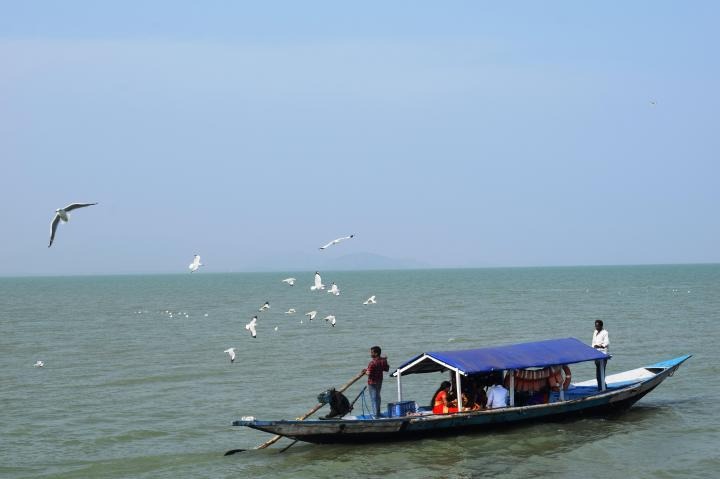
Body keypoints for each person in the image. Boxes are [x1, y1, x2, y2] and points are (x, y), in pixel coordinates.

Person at [362, 346, 389, 417]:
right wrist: (385, 360)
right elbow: (386, 369)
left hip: (372, 382)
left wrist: (364, 371)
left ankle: (376, 415)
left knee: (374, 398)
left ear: (376, 353)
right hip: (379, 381)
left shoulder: (372, 363)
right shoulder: (383, 361)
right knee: (378, 397)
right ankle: (378, 413)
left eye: (372, 352)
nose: (370, 354)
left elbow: (369, 373)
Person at [591, 320, 610, 390]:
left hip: (603, 355)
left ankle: (602, 387)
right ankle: (601, 386)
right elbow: (593, 343)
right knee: (597, 373)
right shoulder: (595, 332)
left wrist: (599, 346)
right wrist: (593, 349)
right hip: (596, 354)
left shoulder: (605, 333)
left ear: (601, 326)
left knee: (601, 371)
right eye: (595, 326)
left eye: (598, 326)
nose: (596, 327)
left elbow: (606, 343)